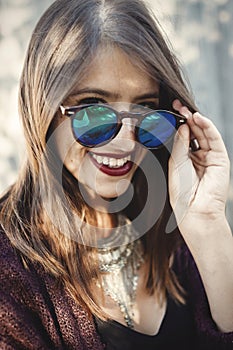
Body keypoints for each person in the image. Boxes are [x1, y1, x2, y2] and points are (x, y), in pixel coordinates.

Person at [0, 0, 233, 349]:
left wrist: (208, 224)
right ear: (43, 109)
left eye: (147, 112)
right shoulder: (9, 270)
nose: (126, 143)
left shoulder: (171, 224)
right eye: (95, 111)